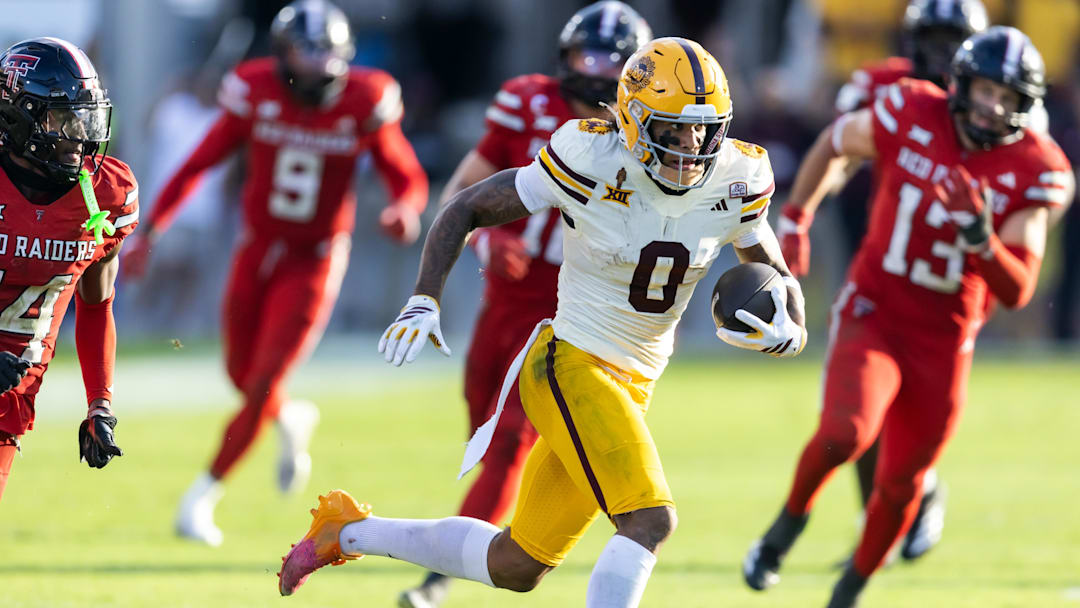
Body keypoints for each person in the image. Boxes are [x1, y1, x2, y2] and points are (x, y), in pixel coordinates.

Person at [276, 37, 807, 607]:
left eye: (703, 128)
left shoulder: (738, 175)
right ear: (632, 120)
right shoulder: (591, 158)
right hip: (570, 364)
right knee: (650, 521)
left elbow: (772, 270)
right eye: (673, 128)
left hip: (634, 384)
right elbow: (467, 206)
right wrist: (425, 297)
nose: (691, 145)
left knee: (516, 564)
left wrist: (789, 326)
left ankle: (346, 531)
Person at [744, 27, 1072, 608]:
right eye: (983, 91)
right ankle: (783, 530)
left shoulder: (1037, 166)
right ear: (959, 86)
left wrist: (979, 236)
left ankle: (849, 590)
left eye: (1007, 98)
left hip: (946, 340)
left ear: (1026, 107)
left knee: (902, 486)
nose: (991, 108)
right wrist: (795, 218)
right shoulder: (909, 108)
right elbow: (835, 142)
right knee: (845, 432)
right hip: (877, 308)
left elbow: (1018, 288)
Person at [121, 0, 429, 546]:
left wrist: (404, 207)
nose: (318, 64)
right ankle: (290, 420)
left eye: (327, 52)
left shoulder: (365, 98)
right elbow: (200, 162)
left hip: (315, 258)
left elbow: (404, 171)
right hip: (256, 247)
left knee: (263, 381)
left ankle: (202, 496)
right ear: (283, 55)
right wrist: (150, 231)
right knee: (240, 374)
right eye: (307, 51)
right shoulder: (254, 89)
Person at [397, 3, 651, 607]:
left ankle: (437, 583)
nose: (595, 71)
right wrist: (495, 236)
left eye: (611, 61)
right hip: (506, 301)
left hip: (577, 312)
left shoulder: (652, 136)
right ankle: (462, 540)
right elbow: (467, 190)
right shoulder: (527, 100)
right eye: (585, 56)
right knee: (481, 429)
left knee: (508, 442)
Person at [782, 0, 988, 564]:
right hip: (888, 248)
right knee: (862, 399)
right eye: (934, 38)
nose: (944, 53)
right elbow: (842, 150)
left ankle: (918, 493)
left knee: (912, 402)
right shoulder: (886, 86)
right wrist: (802, 213)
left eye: (956, 39)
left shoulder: (998, 98)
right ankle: (891, 511)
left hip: (960, 270)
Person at [0, 37, 138, 500]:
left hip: (8, 402)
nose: (80, 136)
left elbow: (97, 305)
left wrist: (100, 403)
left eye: (86, 118)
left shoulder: (105, 196)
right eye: (64, 119)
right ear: (21, 115)